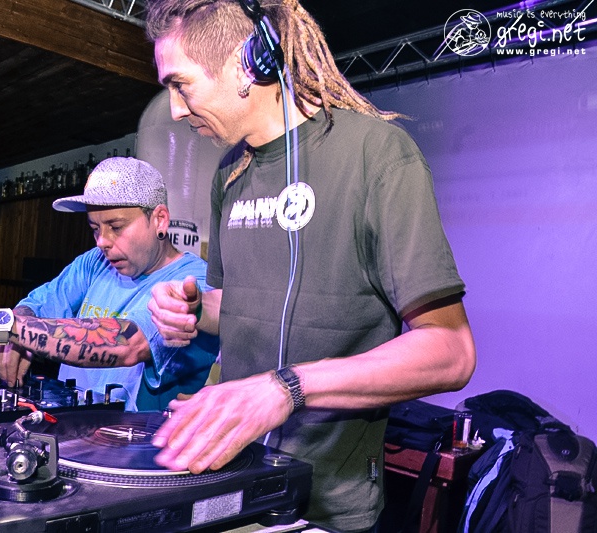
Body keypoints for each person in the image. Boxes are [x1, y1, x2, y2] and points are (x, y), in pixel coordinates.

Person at [143, 1, 477, 531]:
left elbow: (451, 351)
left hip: (327, 509)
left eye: (181, 85)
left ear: (247, 62)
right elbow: (239, 305)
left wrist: (286, 388)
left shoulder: (377, 154)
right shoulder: (229, 174)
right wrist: (195, 308)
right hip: (229, 488)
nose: (176, 109)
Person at [0, 157, 220, 412]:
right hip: (71, 432)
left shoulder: (195, 282)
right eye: (95, 228)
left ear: (159, 219)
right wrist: (15, 340)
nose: (102, 241)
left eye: (116, 227)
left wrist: (3, 327)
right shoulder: (95, 262)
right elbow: (38, 305)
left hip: (139, 446)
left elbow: (129, 344)